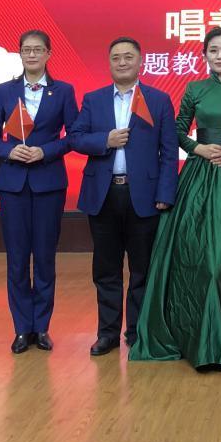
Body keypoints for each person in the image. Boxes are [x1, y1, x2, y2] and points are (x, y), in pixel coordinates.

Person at [132, 26, 221, 370]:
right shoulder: (194, 88)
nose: (220, 55)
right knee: (196, 255)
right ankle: (196, 335)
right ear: (205, 55)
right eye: (213, 50)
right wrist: (198, 148)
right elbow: (178, 130)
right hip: (199, 176)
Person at [69, 37, 179, 357]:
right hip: (103, 195)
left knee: (142, 269)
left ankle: (137, 332)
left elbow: (169, 152)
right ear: (109, 63)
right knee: (106, 270)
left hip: (143, 196)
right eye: (116, 57)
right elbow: (75, 138)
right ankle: (107, 334)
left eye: (128, 57)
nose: (122, 62)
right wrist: (105, 140)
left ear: (140, 61)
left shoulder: (158, 100)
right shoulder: (94, 99)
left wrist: (165, 193)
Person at [0, 30, 77, 354]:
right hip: (13, 184)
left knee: (45, 257)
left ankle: (42, 327)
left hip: (49, 182)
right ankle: (22, 328)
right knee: (17, 259)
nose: (32, 55)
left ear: (49, 54)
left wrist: (46, 151)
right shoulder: (4, 91)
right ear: (20, 53)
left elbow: (74, 134)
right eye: (27, 50)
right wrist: (8, 151)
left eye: (38, 50)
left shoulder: (63, 91)